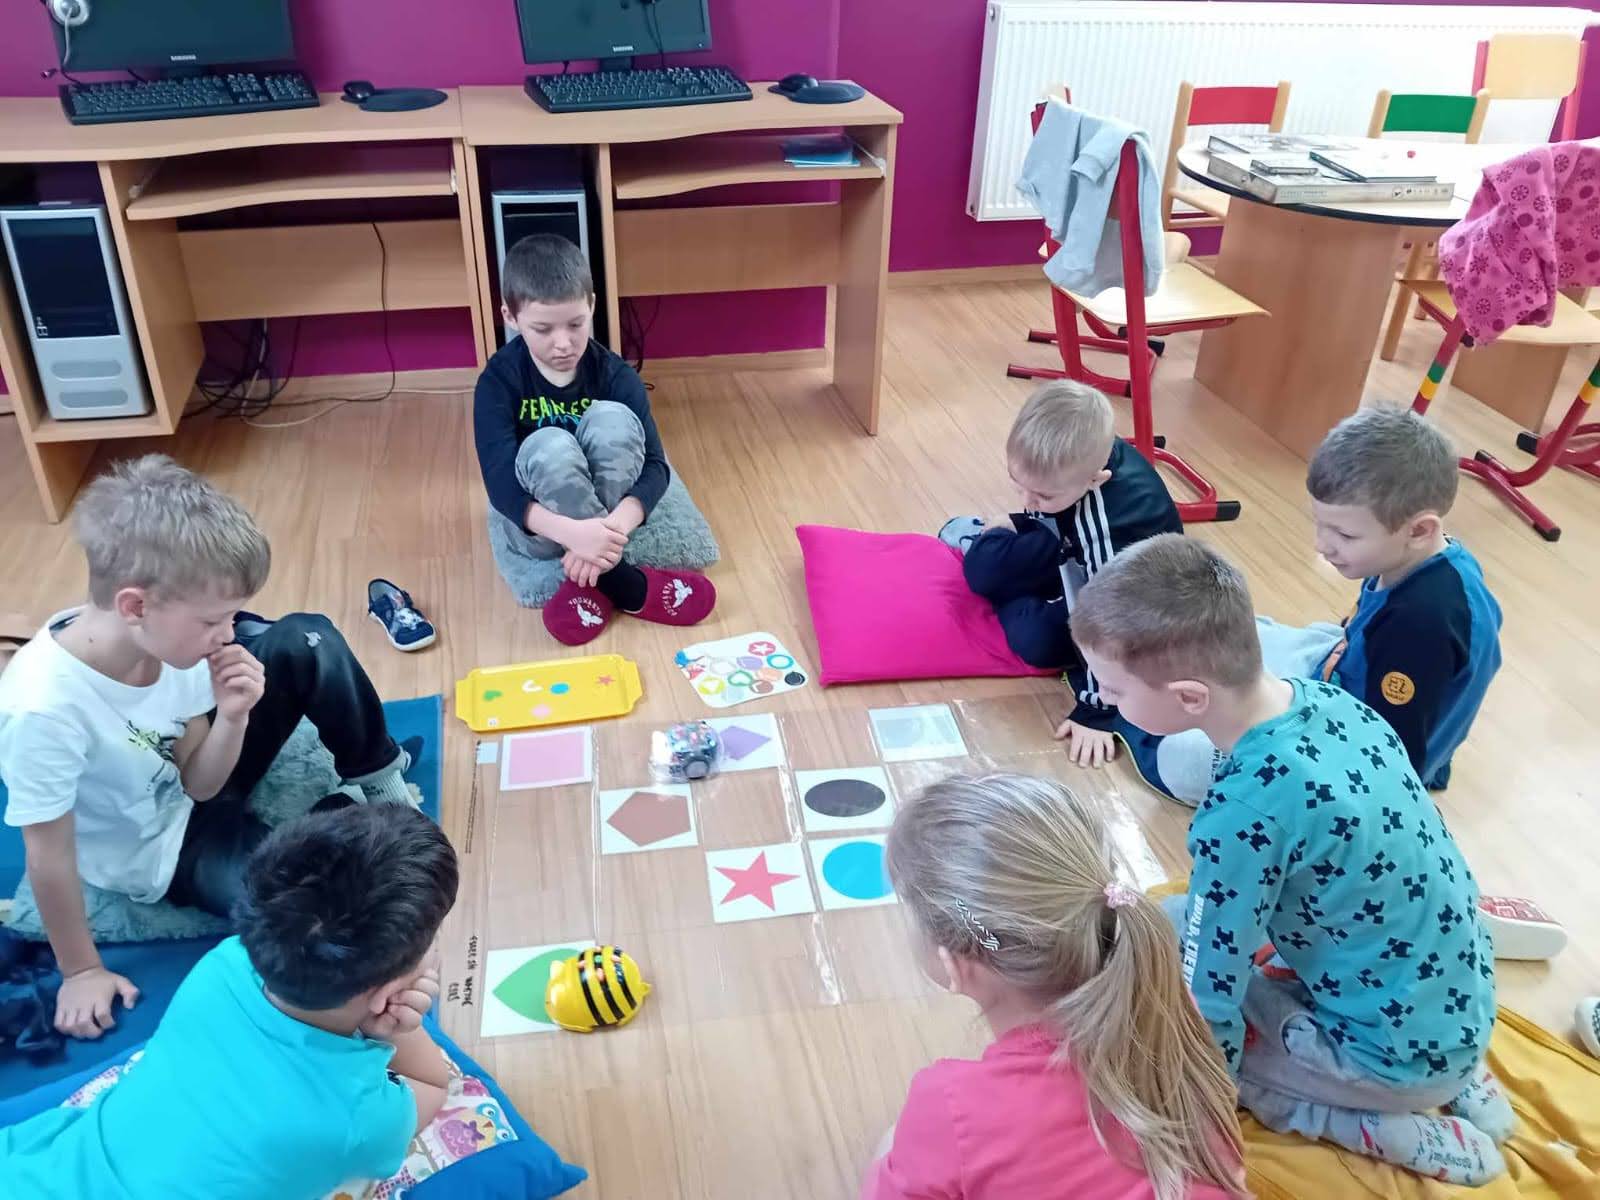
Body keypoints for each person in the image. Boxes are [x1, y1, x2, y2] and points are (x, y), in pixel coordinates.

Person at [1071, 534, 1513, 1186]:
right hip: (1459, 1002)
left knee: (1163, 1007)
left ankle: (1387, 1124)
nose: (1105, 700)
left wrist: (1201, 1086)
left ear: (1190, 697)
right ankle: (1458, 1076)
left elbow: (1209, 998)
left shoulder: (1241, 815)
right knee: (1176, 922)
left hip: (1389, 1059)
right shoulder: (1335, 704)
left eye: (1112, 688)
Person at [0, 455, 415, 1041]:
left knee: (307, 636)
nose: (229, 635)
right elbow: (47, 857)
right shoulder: (41, 710)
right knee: (314, 919)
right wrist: (81, 970)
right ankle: (327, 825)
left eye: (231, 617)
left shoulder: (171, 643)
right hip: (157, 850)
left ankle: (378, 783)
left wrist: (234, 716)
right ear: (135, 606)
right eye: (214, 621)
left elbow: (201, 784)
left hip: (196, 789)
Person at [0, 804, 458, 1198]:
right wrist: (393, 1030)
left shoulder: (226, 962)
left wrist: (380, 1000)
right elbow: (435, 1084)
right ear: (387, 991)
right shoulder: (357, 1122)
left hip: (31, 1170)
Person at [864, 771, 1247, 1200]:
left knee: (889, 1144)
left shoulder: (952, 1107)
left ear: (952, 964)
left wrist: (894, 1152)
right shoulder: (1167, 994)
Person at [1123, 407, 1502, 807]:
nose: (1322, 545)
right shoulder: (1427, 558)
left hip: (1345, 750)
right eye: (1320, 524)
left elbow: (1388, 761)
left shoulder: (1420, 625)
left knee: (1181, 759)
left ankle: (1130, 716)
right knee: (1232, 635)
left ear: (1420, 530)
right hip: (1341, 676)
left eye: (1344, 534)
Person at [473, 232, 715, 645]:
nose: (563, 343)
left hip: (609, 521)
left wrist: (608, 532)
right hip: (544, 532)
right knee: (549, 445)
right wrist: (570, 534)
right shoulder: (498, 381)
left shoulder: (615, 373)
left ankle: (589, 574)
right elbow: (500, 485)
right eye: (542, 329)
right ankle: (623, 583)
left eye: (575, 324)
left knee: (614, 420)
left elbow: (656, 466)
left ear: (592, 306)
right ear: (510, 317)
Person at [940, 380, 1181, 768]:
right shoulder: (1074, 473)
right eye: (1018, 484)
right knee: (982, 570)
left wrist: (1097, 711)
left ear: (1096, 479)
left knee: (1037, 642)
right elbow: (1046, 507)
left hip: (1119, 596)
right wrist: (1033, 513)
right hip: (1063, 535)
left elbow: (1112, 622)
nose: (1027, 500)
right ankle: (987, 537)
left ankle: (1007, 567)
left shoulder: (1106, 528)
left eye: (1041, 495)